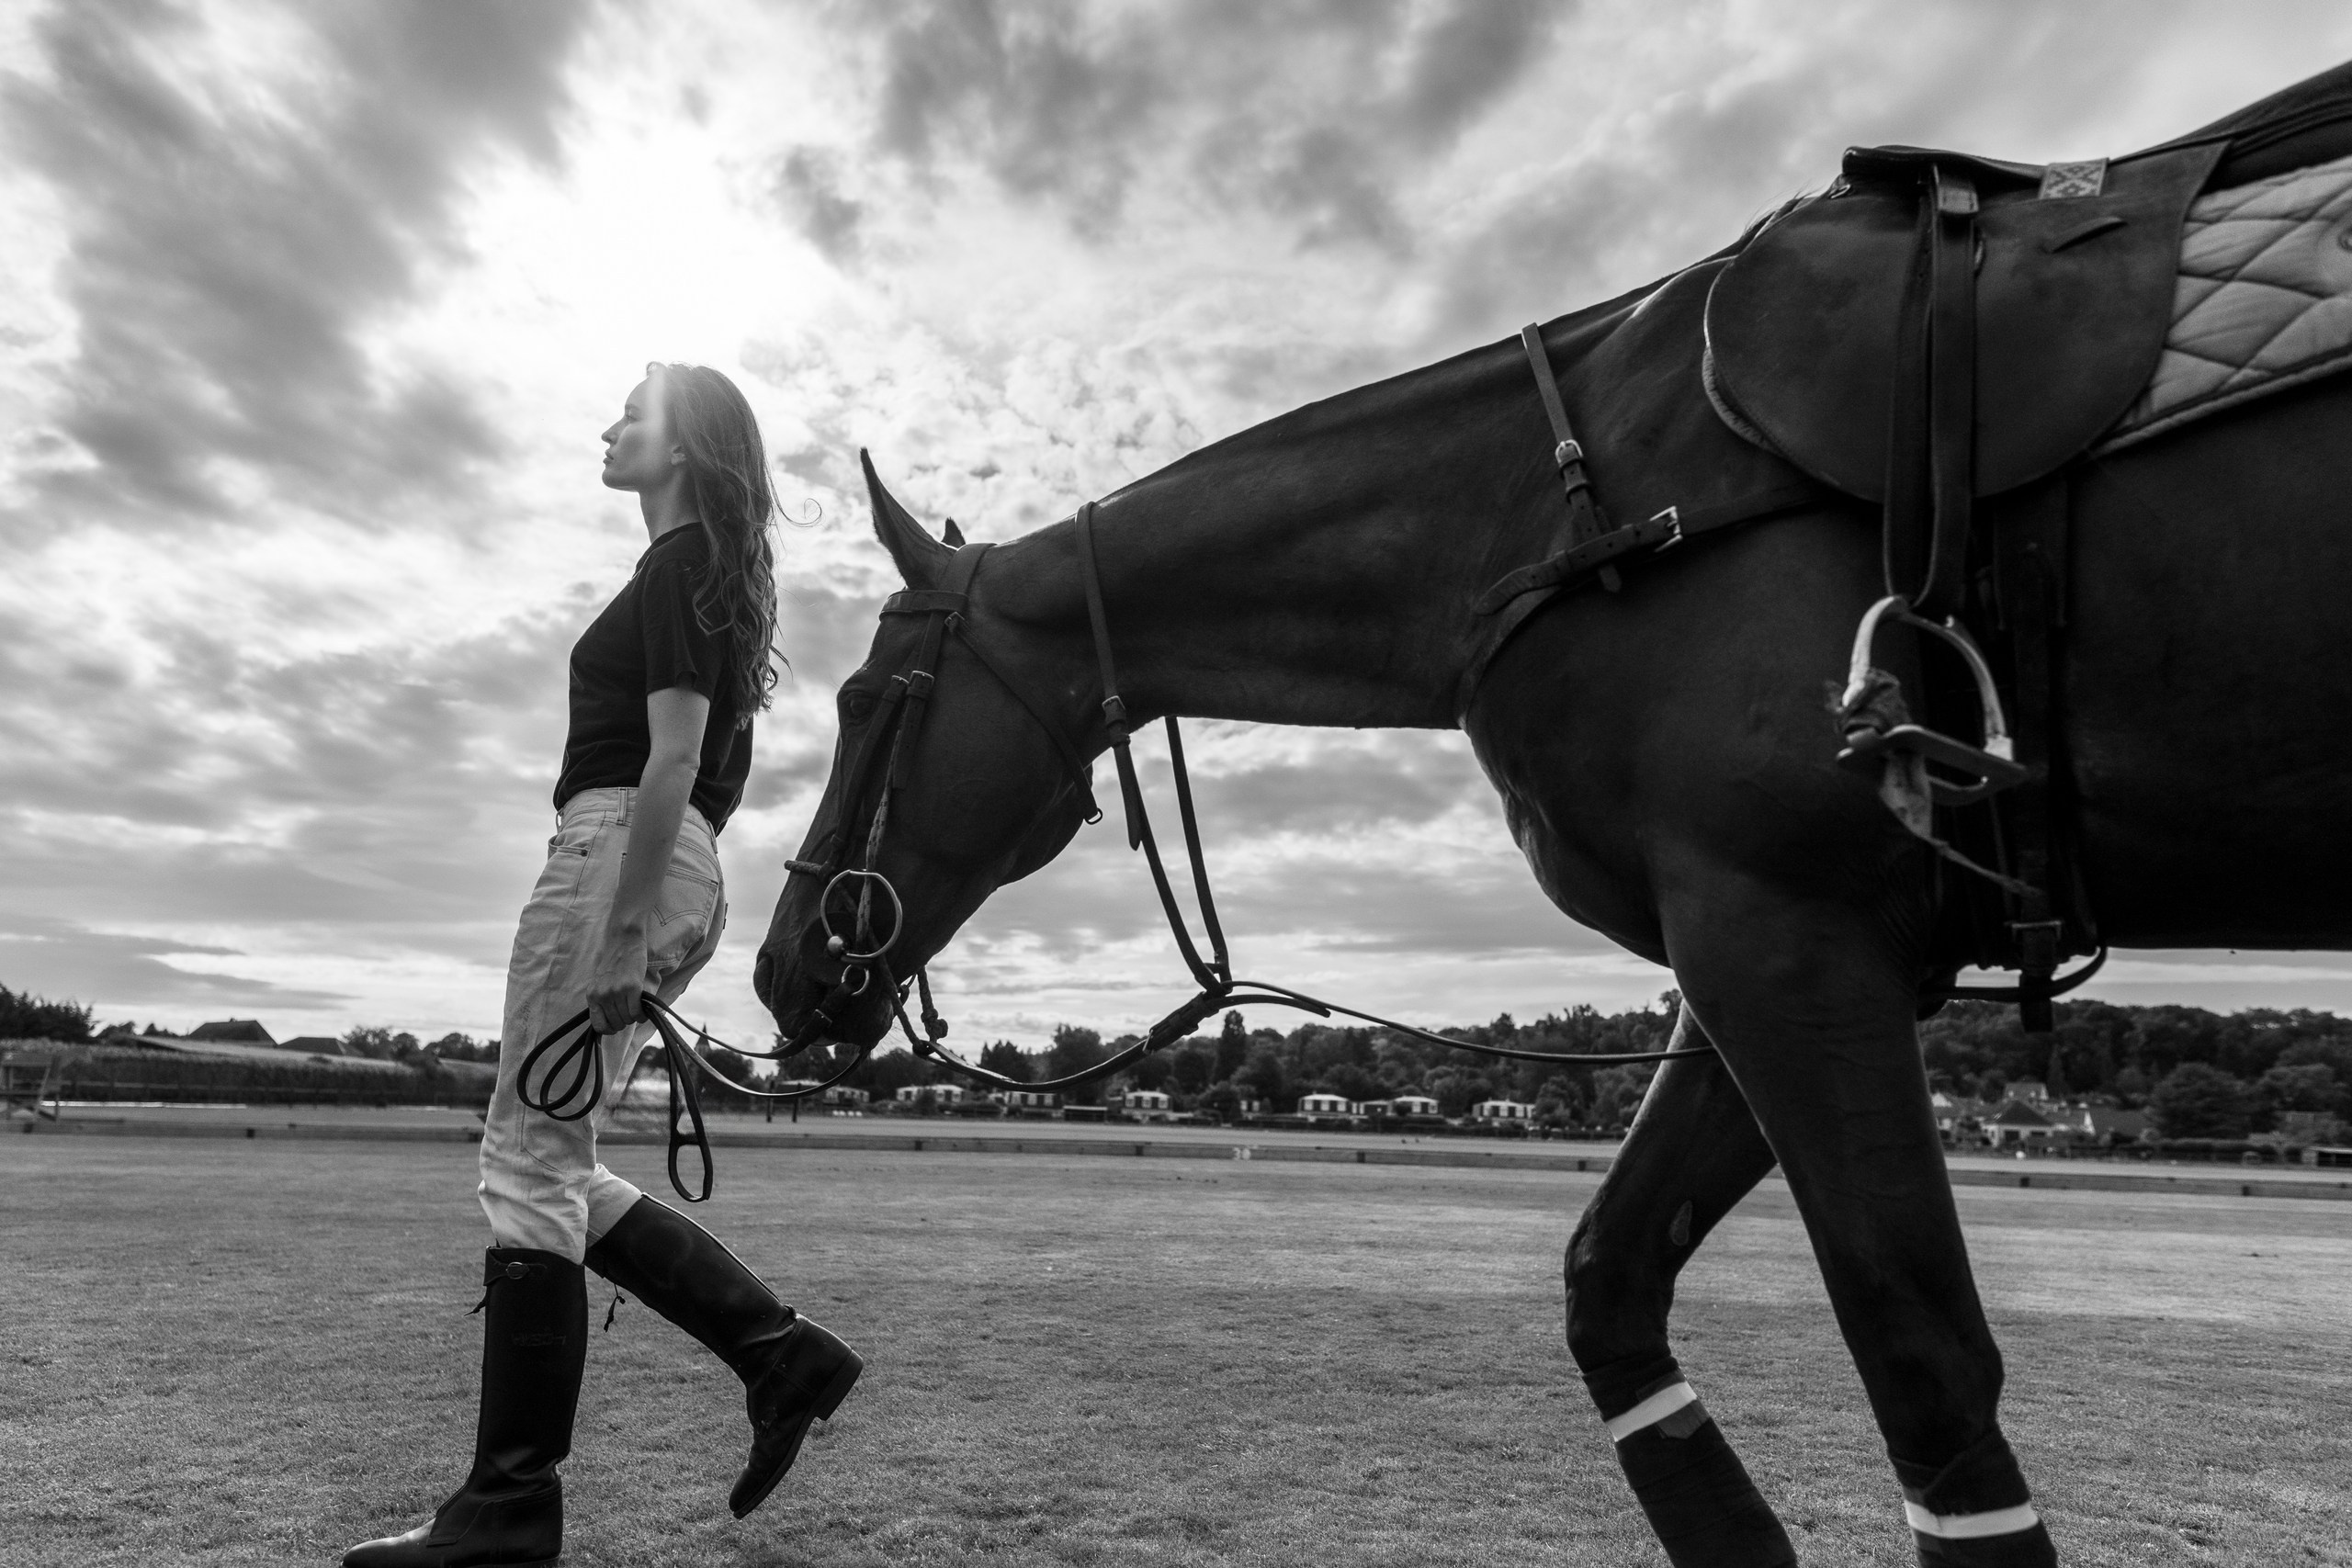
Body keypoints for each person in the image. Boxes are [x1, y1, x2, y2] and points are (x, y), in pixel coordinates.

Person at [345, 363, 861, 1568]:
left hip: (621, 851)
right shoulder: (696, 577)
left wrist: (622, 924)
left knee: (525, 1163)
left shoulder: (680, 571)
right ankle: (778, 1353)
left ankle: (507, 1516)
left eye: (633, 414)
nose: (609, 428)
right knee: (553, 1159)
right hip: (652, 855)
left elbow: (674, 753)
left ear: (685, 448)